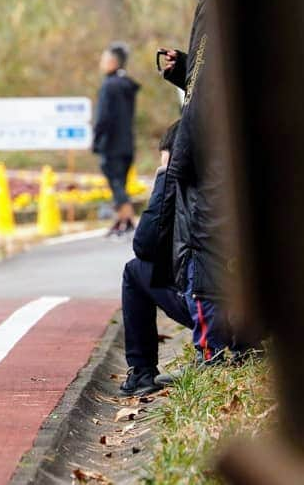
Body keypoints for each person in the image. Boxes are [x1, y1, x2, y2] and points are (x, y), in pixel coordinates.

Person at [154, 0, 236, 364]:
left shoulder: (216, 3)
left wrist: (177, 166)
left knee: (207, 260)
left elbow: (205, 100)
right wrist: (186, 70)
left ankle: (218, 357)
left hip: (215, 168)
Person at [118, 122, 193, 396]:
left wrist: (165, 176)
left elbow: (144, 244)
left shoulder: (180, 178)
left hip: (214, 306)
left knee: (135, 271)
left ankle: (141, 372)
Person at [93, 41, 140, 236]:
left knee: (117, 184)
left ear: (113, 62)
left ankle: (128, 219)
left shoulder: (109, 86)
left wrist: (96, 139)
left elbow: (104, 117)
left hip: (111, 144)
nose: (102, 63)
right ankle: (121, 220)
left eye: (104, 59)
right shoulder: (127, 85)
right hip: (127, 144)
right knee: (121, 182)